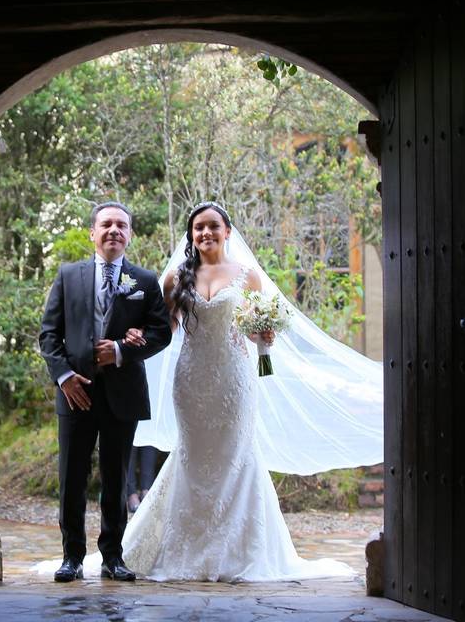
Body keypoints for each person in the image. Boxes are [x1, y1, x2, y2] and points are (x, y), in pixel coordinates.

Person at [117, 201, 383, 581]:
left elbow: (259, 330)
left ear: (227, 231)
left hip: (234, 378)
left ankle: (238, 550)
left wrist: (265, 339)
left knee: (236, 455)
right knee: (192, 456)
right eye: (198, 228)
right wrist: (136, 337)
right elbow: (166, 330)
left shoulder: (248, 275)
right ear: (191, 235)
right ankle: (185, 548)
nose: (205, 233)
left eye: (212, 226)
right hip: (191, 380)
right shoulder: (177, 277)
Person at [38, 201, 172, 583]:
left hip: (122, 393)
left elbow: (160, 332)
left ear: (130, 235)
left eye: (122, 225)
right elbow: (49, 335)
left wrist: (121, 350)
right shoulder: (68, 276)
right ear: (92, 233)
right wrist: (64, 377)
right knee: (72, 478)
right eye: (106, 224)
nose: (114, 230)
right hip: (75, 392)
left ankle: (113, 557)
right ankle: (72, 557)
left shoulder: (144, 282)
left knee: (116, 479)